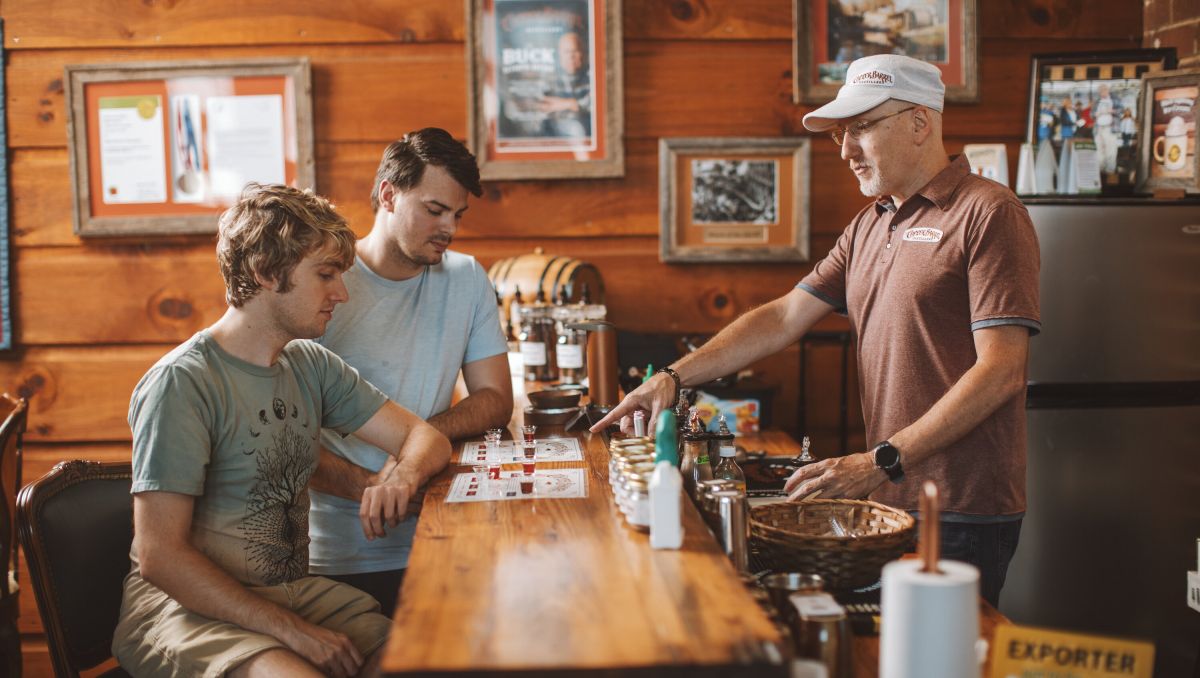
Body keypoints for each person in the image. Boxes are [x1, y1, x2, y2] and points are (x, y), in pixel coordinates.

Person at [592, 54, 1040, 608]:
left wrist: (878, 460)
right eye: (842, 134)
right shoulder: (870, 222)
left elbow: (1001, 371)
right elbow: (784, 316)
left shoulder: (989, 212)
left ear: (921, 122)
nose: (847, 150)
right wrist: (671, 377)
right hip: (889, 493)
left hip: (960, 505)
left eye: (861, 128)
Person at [113, 183, 452, 677]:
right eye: (325, 275)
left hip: (291, 594)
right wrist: (290, 631)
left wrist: (399, 478)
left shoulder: (309, 363)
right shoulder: (182, 383)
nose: (341, 292)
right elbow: (160, 557)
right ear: (265, 273)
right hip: (185, 610)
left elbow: (427, 439)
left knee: (419, 663)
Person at [307, 128, 512, 617]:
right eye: (434, 210)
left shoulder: (466, 277)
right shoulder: (322, 284)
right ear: (388, 195)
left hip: (442, 530)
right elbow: (281, 432)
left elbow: (495, 398)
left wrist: (414, 455)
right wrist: (374, 487)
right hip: (338, 552)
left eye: (458, 215)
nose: (450, 229)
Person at [538, 30, 591, 137]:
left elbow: (596, 104)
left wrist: (568, 103)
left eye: (575, 51)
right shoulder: (549, 77)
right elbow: (541, 106)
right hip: (553, 134)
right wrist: (575, 104)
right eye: (567, 52)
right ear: (559, 55)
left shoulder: (592, 75)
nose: (571, 56)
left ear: (584, 53)